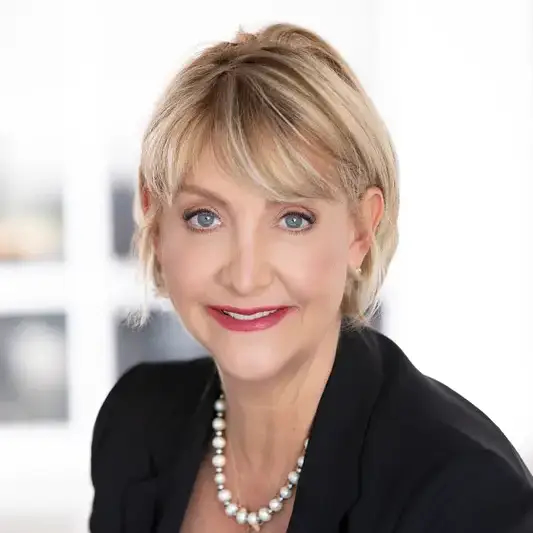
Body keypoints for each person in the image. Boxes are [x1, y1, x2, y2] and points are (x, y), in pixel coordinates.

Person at [89, 23, 533, 533]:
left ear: (361, 230)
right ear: (155, 220)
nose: (246, 276)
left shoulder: (465, 492)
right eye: (205, 217)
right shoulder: (135, 425)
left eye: (293, 219)